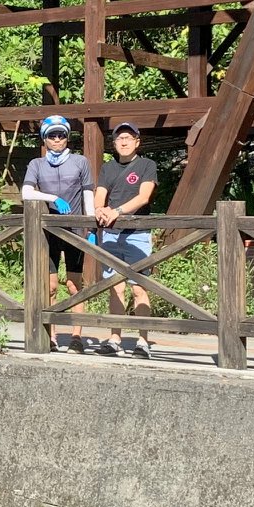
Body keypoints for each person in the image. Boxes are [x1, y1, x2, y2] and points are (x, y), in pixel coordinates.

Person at [20, 114, 95, 352]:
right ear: (44, 139)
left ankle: (76, 335)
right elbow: (26, 192)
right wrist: (53, 197)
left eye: (61, 135)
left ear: (67, 137)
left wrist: (91, 226)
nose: (56, 139)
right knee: (49, 286)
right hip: (49, 232)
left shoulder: (80, 161)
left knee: (74, 284)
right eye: (52, 135)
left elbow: (88, 194)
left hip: (75, 229)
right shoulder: (37, 164)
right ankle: (51, 335)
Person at [92, 120, 158, 358]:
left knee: (139, 287)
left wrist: (116, 211)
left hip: (137, 234)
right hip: (110, 234)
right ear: (114, 143)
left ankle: (143, 341)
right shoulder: (108, 168)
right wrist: (99, 209)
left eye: (128, 138)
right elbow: (100, 195)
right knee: (115, 287)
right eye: (120, 138)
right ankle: (115, 338)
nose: (124, 141)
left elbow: (144, 197)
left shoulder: (147, 165)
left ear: (137, 142)